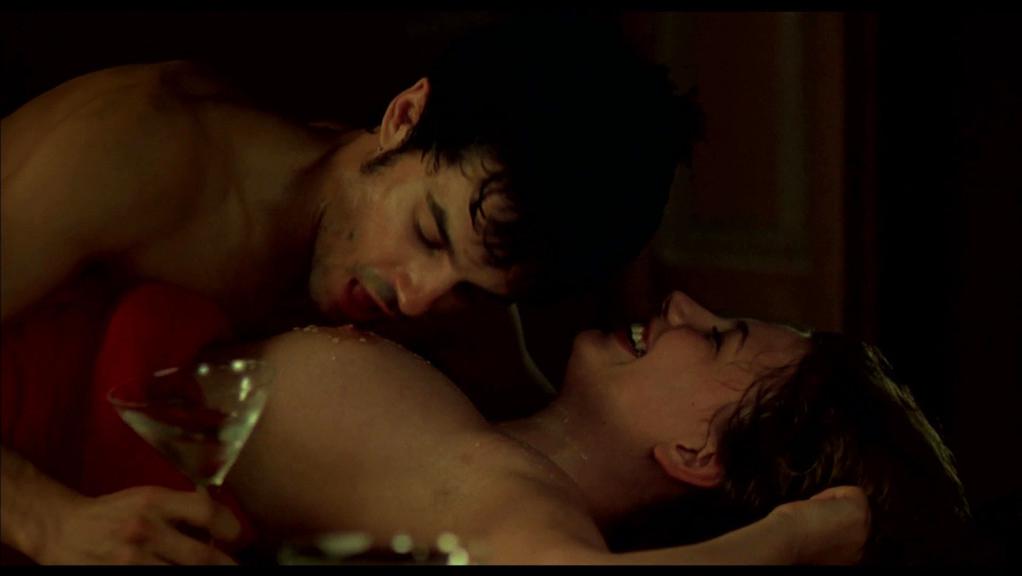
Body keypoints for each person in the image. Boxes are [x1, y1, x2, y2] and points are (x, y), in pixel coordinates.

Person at [1, 15, 701, 562]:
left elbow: (540, 464)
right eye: (429, 233)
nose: (419, 300)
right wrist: (50, 521)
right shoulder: (133, 148)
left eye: (477, 292)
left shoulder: (453, 298)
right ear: (404, 117)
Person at [202, 288, 965, 564]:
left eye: (715, 338)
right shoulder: (493, 378)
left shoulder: (510, 492)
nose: (681, 304)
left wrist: (796, 536)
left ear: (697, 454)